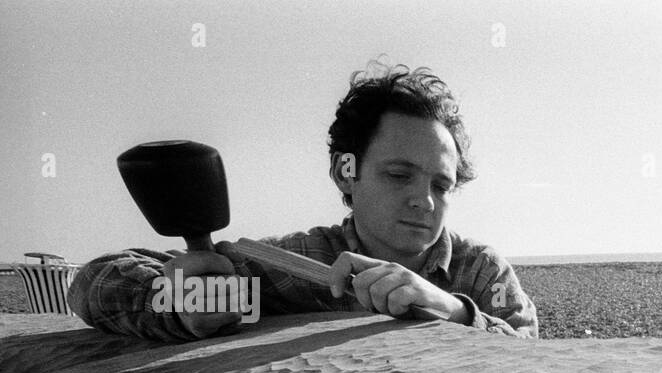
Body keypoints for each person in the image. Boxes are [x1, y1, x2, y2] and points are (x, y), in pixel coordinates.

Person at [70, 63, 538, 342]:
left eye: (441, 185)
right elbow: (91, 283)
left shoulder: (479, 271)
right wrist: (176, 305)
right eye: (399, 175)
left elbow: (539, 363)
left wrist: (453, 311)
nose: (424, 201)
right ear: (345, 172)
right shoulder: (293, 264)